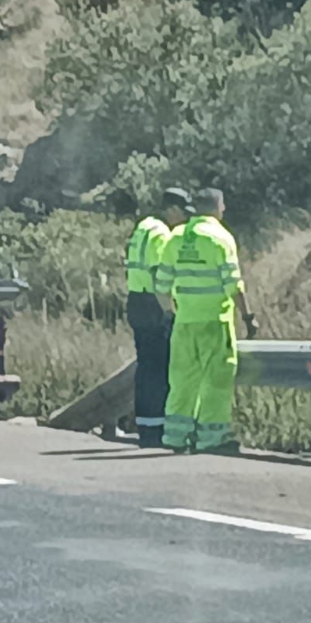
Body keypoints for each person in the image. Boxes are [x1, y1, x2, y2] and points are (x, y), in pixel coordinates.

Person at [153, 187, 259, 454]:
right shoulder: (220, 238)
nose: (224, 210)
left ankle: (175, 436)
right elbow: (233, 285)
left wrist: (169, 314)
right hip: (214, 322)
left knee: (182, 381)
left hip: (184, 323)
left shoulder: (176, 237)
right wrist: (248, 317)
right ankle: (212, 438)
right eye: (222, 206)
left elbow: (161, 285)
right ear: (216, 207)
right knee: (216, 381)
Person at [125, 188, 190, 447]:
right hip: (153, 305)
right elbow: (158, 277)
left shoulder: (143, 227)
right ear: (172, 209)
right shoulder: (162, 234)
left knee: (145, 368)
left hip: (135, 300)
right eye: (183, 213)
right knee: (160, 370)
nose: (184, 220)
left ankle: (145, 426)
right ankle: (157, 429)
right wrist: (169, 312)